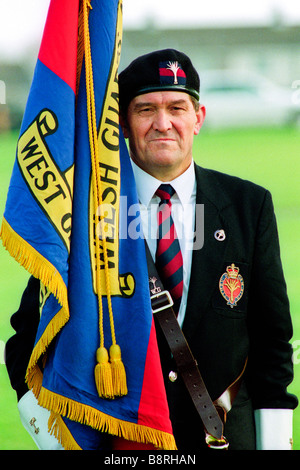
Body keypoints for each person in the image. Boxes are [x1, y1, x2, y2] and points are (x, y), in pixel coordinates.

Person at [5, 49, 298, 450]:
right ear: (122, 123)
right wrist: (56, 441)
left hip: (225, 439)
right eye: (146, 109)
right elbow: (25, 341)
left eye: (177, 107)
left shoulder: (249, 206)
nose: (164, 123)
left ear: (198, 118)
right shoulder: (83, 215)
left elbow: (273, 347)